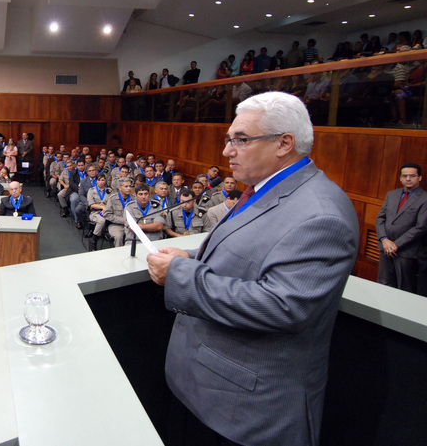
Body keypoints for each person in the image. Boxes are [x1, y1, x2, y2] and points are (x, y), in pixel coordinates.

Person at [146, 91, 359, 446]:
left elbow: (284, 306)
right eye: (229, 139)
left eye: (241, 140)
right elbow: (246, 251)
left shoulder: (321, 215)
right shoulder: (262, 189)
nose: (227, 151)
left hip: (245, 411)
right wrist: (190, 258)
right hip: (203, 387)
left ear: (284, 143)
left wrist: (180, 275)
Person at [376, 163, 427, 295]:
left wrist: (395, 245)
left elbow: (421, 227)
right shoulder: (392, 194)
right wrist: (384, 240)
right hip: (385, 248)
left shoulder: (425, 199)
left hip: (406, 252)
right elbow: (380, 218)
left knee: (404, 290)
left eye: (412, 176)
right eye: (405, 176)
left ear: (420, 178)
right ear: (400, 178)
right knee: (383, 284)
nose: (408, 179)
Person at [90, 177, 132, 250]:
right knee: (118, 236)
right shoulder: (112, 199)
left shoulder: (133, 199)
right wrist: (123, 221)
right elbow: (107, 215)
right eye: (126, 186)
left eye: (130, 186)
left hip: (131, 224)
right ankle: (119, 253)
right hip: (115, 225)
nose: (129, 188)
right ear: (120, 187)